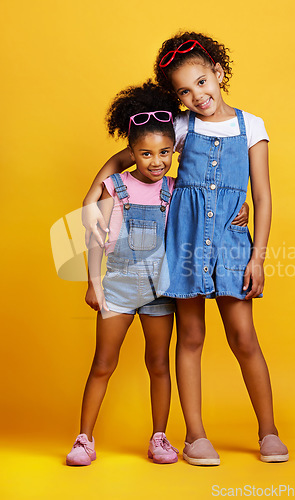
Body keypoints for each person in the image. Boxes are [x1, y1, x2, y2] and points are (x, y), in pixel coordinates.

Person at [82, 31, 288, 465]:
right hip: (184, 244)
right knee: (191, 337)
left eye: (201, 82)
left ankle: (268, 430)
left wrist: (259, 255)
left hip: (232, 245)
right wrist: (92, 194)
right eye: (183, 91)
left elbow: (264, 195)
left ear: (217, 71)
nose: (196, 96)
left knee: (244, 337)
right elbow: (129, 158)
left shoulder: (252, 126)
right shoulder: (178, 125)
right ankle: (195, 436)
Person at [66, 81, 180, 466]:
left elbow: (207, 212)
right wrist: (93, 282)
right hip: (116, 287)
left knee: (159, 363)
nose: (156, 161)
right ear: (131, 153)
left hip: (160, 291)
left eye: (165, 152)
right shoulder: (113, 186)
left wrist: (243, 208)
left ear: (173, 151)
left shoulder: (176, 189)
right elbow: (96, 238)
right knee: (103, 363)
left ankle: (159, 437)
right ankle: (84, 439)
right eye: (146, 153)